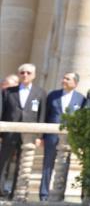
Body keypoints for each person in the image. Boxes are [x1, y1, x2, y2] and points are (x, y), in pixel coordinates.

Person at [0, 63, 47, 198]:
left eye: (28, 73)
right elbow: (2, 112)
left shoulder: (40, 93)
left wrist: (40, 136)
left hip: (29, 134)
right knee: (3, 162)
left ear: (34, 75)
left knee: (23, 163)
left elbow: (42, 115)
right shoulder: (8, 92)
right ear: (19, 74)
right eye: (22, 73)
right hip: (9, 133)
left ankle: (16, 192)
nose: (25, 75)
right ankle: (1, 190)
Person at [39, 72, 86, 200]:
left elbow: (82, 118)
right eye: (63, 78)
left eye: (67, 79)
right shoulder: (53, 95)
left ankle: (59, 194)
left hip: (69, 138)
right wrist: (41, 136)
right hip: (51, 136)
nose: (63, 80)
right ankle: (43, 195)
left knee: (65, 164)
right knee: (47, 165)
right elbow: (45, 115)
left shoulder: (81, 99)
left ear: (75, 83)